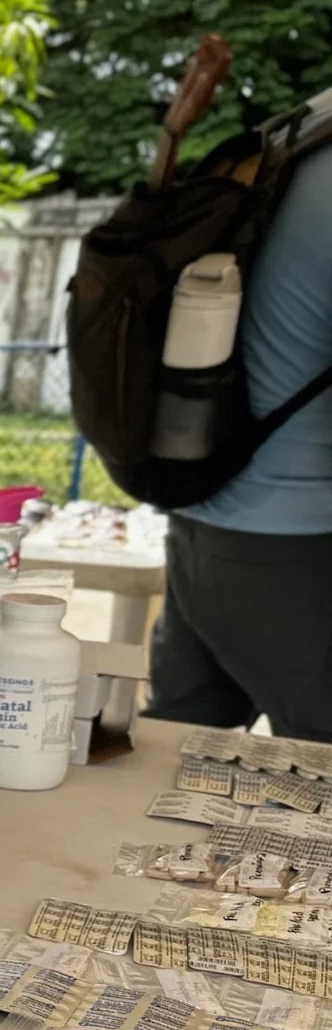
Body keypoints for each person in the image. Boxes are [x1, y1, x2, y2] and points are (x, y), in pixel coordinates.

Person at [147, 141, 332, 740]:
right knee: (320, 778)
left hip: (206, 514)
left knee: (174, 751)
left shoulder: (307, 140)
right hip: (290, 548)